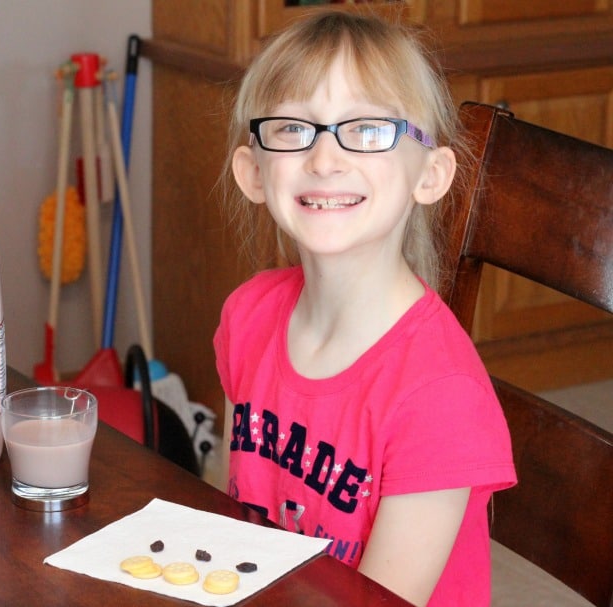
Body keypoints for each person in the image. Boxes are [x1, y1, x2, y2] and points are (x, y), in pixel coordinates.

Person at [213, 10, 516, 607]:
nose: (325, 159)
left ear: (430, 174)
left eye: (369, 129)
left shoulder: (440, 395)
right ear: (252, 171)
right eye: (294, 129)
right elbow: (231, 519)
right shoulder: (247, 316)